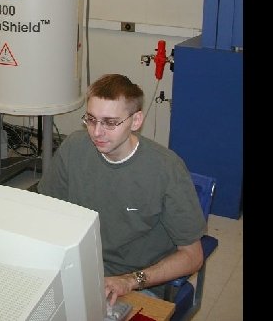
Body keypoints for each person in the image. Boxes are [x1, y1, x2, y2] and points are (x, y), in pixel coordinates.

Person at [37, 73, 206, 305]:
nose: (97, 132)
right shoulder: (74, 148)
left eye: (110, 122)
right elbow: (45, 211)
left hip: (136, 283)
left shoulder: (166, 170)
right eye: (91, 119)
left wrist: (130, 281)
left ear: (136, 121)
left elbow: (193, 256)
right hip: (77, 266)